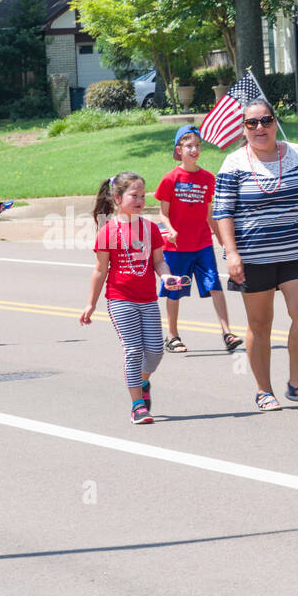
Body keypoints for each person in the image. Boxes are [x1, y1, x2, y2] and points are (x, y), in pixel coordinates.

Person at [213, 98, 298, 411]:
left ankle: (297, 384)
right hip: (253, 256)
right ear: (243, 129)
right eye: (251, 123)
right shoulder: (234, 163)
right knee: (259, 323)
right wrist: (231, 253)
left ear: (274, 122)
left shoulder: (296, 153)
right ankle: (263, 389)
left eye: (265, 120)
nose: (259, 128)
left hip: (297, 251)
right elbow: (222, 211)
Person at [79, 172, 184, 424]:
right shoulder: (108, 231)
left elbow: (159, 262)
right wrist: (91, 304)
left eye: (142, 195)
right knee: (134, 349)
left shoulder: (150, 229)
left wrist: (166, 278)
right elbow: (100, 270)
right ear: (117, 198)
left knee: (156, 351)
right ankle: (137, 405)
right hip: (120, 299)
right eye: (133, 195)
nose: (139, 200)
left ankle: (143, 382)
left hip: (148, 299)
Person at [154, 124, 243, 354]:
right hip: (176, 247)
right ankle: (172, 335)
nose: (194, 150)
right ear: (179, 150)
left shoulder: (207, 178)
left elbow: (209, 213)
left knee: (214, 285)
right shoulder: (170, 179)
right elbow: (162, 213)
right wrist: (171, 229)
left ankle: (227, 333)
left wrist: (223, 240)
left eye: (197, 145)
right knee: (175, 289)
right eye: (189, 146)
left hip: (202, 244)